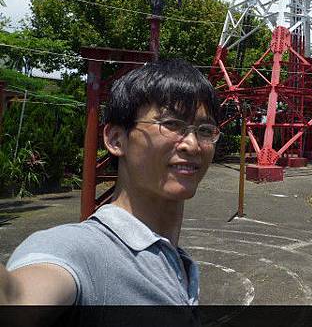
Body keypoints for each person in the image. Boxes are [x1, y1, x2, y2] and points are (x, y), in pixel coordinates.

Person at [0, 59, 219, 308]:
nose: (191, 144)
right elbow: (16, 299)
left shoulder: (178, 262)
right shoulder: (79, 251)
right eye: (171, 124)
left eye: (204, 130)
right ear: (116, 139)